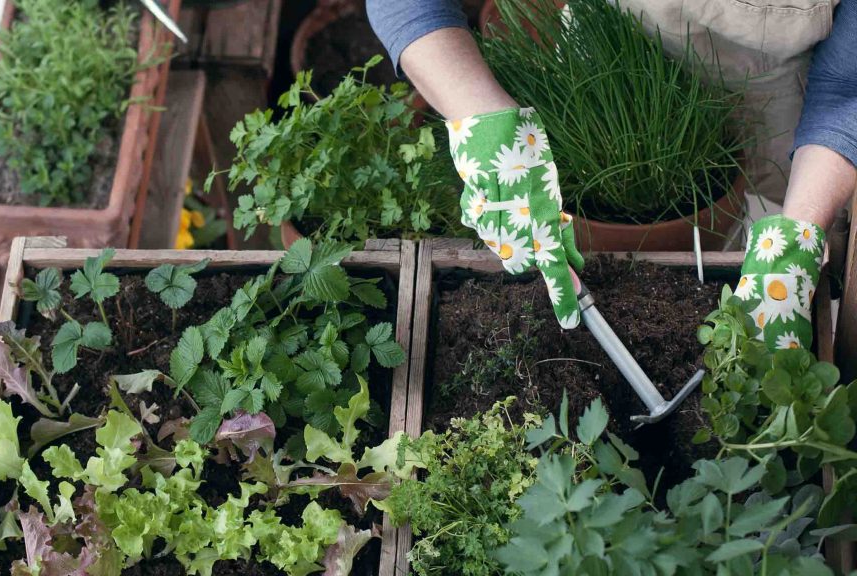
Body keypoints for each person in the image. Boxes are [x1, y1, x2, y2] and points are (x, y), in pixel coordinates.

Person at [367, 0, 856, 350]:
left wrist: (800, 228)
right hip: (607, 66)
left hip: (785, 111)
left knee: (765, 271)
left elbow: (847, 82)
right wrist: (483, 117)